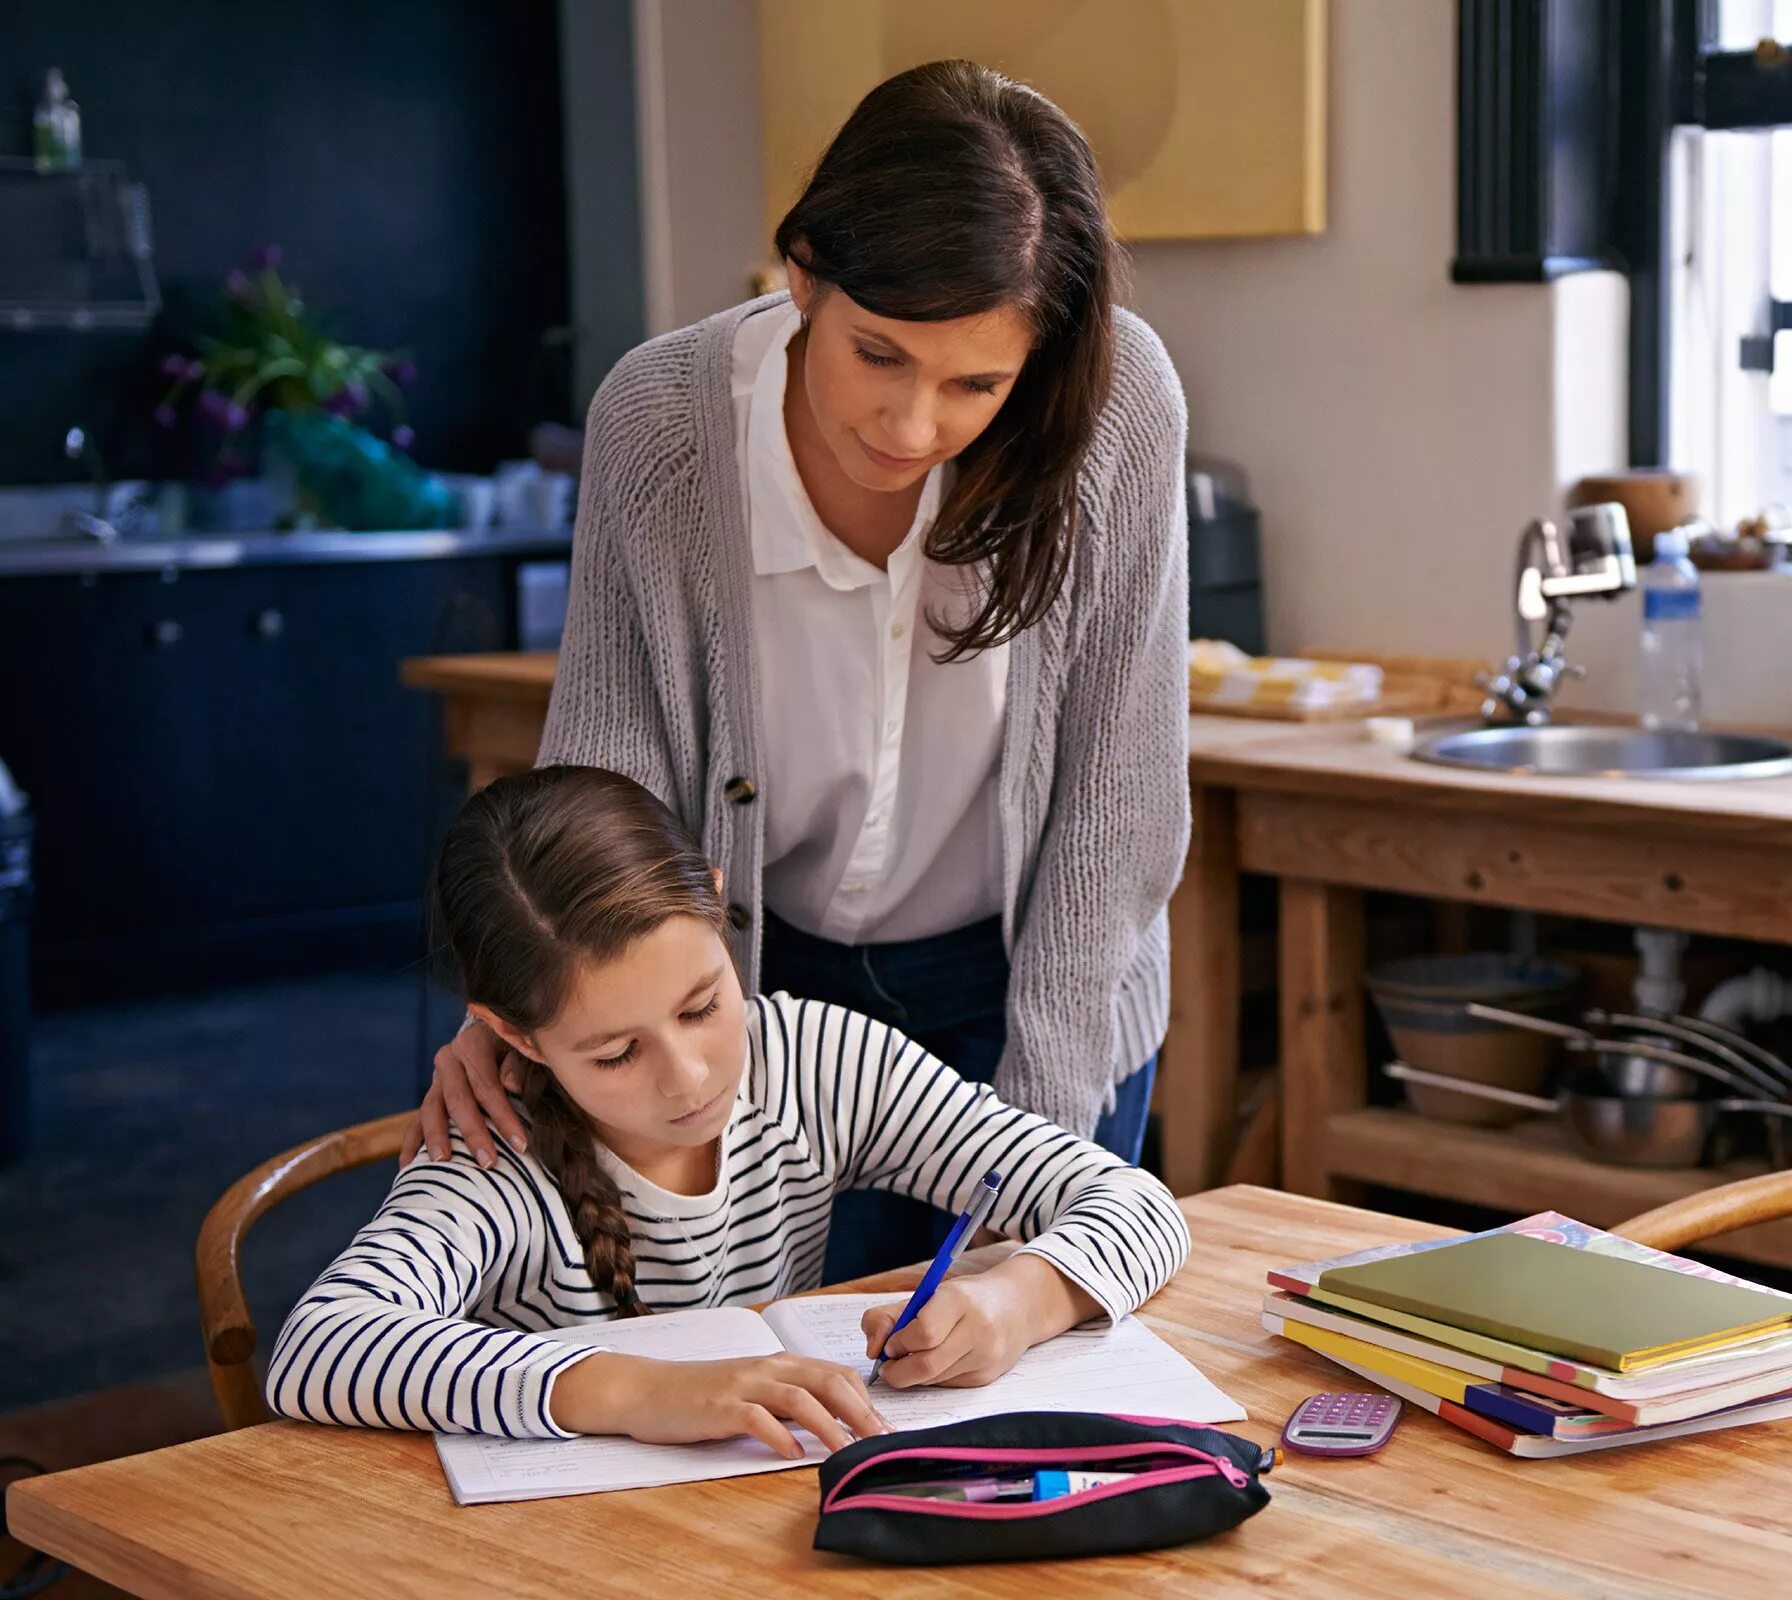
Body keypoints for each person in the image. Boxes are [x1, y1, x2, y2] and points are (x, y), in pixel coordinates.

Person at [407, 59, 1190, 1282]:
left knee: (1009, 1401)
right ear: (804, 271)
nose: (913, 426)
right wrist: (531, 988)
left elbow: (1116, 807)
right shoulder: (662, 421)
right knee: (781, 1405)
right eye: (878, 355)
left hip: (1041, 982)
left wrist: (1031, 1152)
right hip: (756, 1002)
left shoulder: (1117, 409)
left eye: (975, 383)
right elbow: (604, 783)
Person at [272, 766, 1189, 1453]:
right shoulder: (492, 1146)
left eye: (704, 1005)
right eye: (616, 1052)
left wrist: (1015, 1301)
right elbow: (318, 1348)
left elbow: (1137, 1204)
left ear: (717, 905)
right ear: (511, 1035)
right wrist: (635, 1392)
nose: (688, 1078)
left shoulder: (818, 1063)